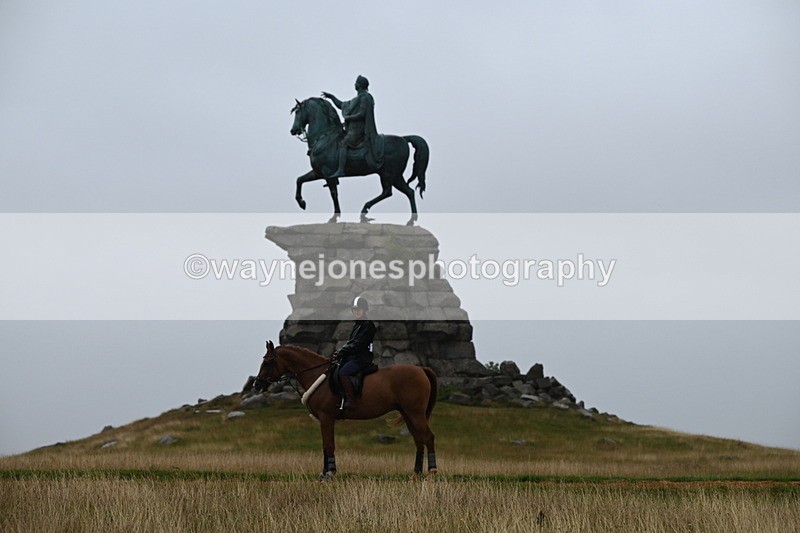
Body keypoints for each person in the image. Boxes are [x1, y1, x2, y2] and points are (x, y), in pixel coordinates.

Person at [321, 75, 384, 178]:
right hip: (352, 129)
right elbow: (342, 105)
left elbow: (362, 114)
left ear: (359, 85)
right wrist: (331, 97)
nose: (354, 84)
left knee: (343, 144)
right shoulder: (356, 99)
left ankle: (341, 170)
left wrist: (349, 118)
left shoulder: (366, 97)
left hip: (359, 130)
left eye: (356, 83)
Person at [332, 296, 376, 414]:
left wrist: (343, 351)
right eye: (354, 310)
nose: (356, 312)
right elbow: (351, 343)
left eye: (359, 309)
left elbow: (357, 344)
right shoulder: (358, 325)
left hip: (362, 358)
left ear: (364, 310)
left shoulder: (367, 325)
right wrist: (341, 352)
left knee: (343, 372)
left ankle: (350, 400)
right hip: (355, 357)